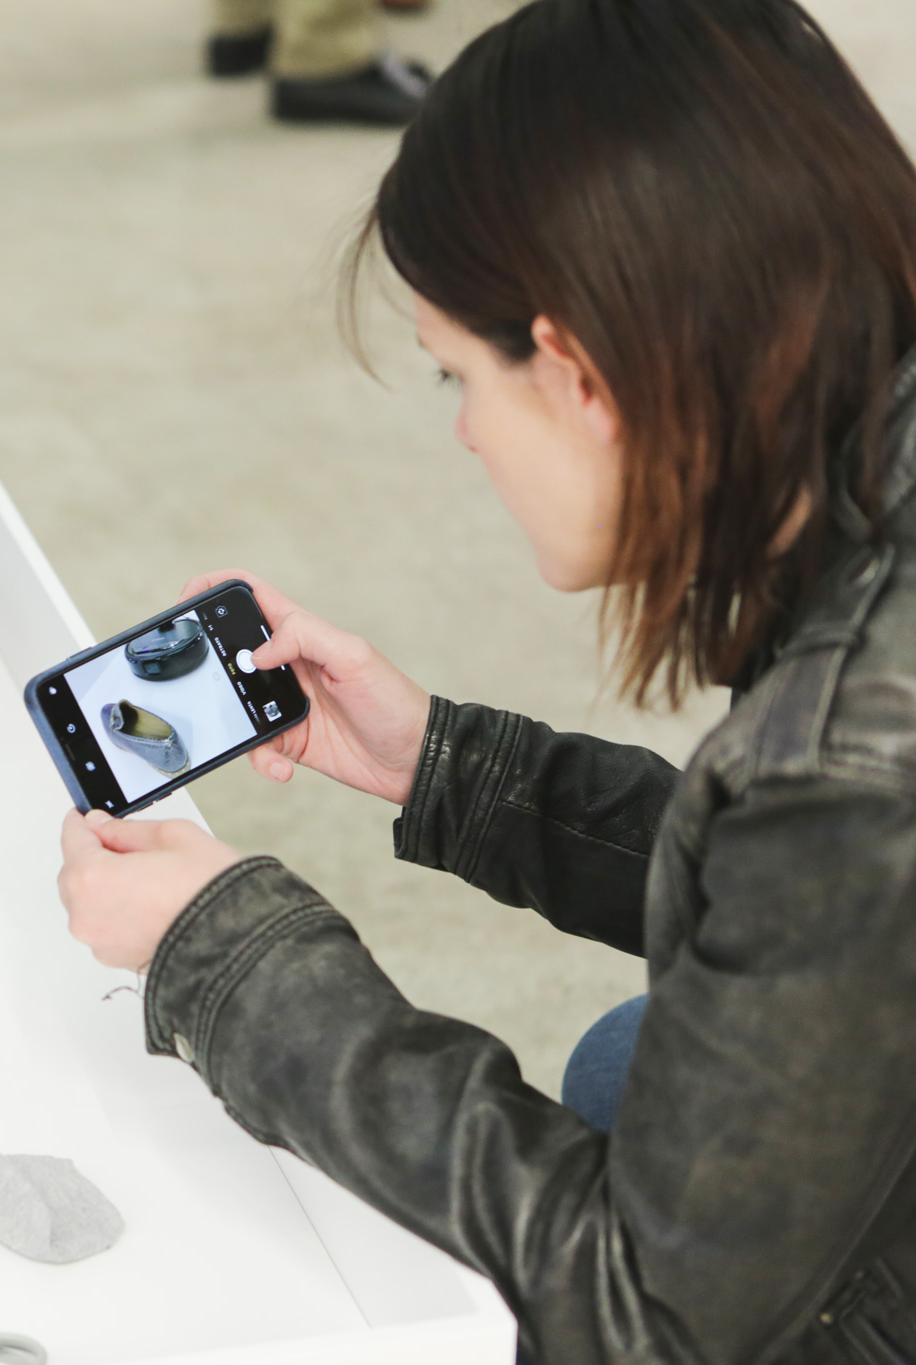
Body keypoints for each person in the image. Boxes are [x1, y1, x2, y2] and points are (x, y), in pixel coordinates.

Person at [57, 0, 916, 1360]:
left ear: (576, 375)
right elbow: (830, 903)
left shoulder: (844, 753)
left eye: (456, 375)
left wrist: (227, 953)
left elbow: (641, 1318)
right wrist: (447, 765)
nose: (463, 433)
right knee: (630, 1059)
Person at [207, 0, 432, 126]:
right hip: (320, 60)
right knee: (323, 25)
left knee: (248, 19)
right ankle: (324, 49)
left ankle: (245, 25)